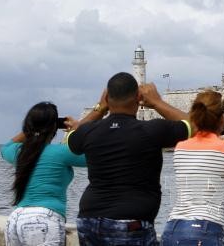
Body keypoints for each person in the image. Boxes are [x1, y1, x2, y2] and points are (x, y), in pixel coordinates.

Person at [67, 72, 191, 246]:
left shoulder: (89, 131)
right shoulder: (152, 130)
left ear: (107, 98)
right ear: (138, 98)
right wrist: (157, 102)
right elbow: (196, 125)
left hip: (89, 220)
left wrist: (100, 108)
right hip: (132, 222)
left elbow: (71, 137)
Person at [161, 90, 224, 246]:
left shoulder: (180, 148)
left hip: (173, 227)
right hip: (206, 229)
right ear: (222, 119)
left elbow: (202, 144)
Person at [1, 102, 86, 246]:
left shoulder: (20, 152)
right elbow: (95, 157)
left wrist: (33, 127)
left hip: (16, 219)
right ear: (54, 127)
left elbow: (5, 148)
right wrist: (79, 131)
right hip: (45, 218)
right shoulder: (61, 152)